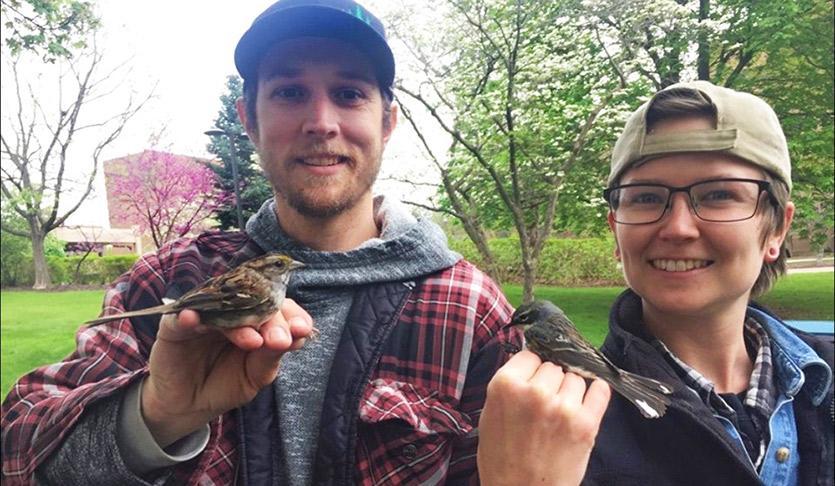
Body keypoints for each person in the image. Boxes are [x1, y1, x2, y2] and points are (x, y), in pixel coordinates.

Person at [0, 1, 522, 484]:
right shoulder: (166, 279)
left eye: (349, 94)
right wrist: (153, 416)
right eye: (290, 93)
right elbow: (17, 450)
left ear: (387, 121)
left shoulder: (470, 307)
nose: (321, 123)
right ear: (249, 119)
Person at [477, 81, 833, 485]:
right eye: (646, 198)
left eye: (718, 194)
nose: (678, 228)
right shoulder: (551, 430)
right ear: (616, 232)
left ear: (777, 230)